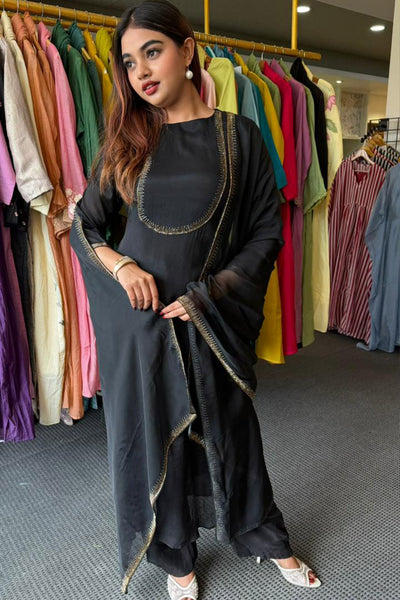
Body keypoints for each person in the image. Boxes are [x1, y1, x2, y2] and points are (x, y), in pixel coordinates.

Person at [70, 1, 322, 598]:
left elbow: (266, 231)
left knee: (233, 429)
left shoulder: (240, 136)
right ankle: (176, 557)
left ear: (187, 49)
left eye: (152, 52)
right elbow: (85, 225)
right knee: (158, 436)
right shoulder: (128, 140)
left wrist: (212, 295)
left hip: (210, 316)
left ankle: (264, 535)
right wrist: (122, 265)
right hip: (144, 322)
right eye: (129, 62)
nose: (141, 72)